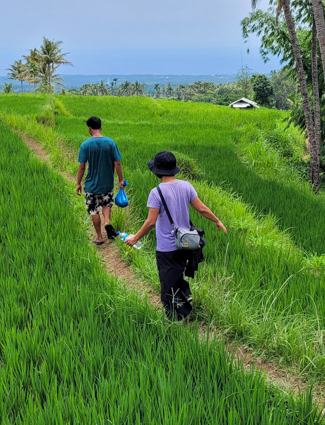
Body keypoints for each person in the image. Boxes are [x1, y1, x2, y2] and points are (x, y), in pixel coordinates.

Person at [125, 151, 226, 320]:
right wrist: (217, 221)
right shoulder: (186, 186)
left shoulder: (156, 192)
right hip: (185, 244)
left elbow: (151, 222)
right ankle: (186, 295)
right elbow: (201, 208)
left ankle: (176, 319)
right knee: (177, 274)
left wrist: (135, 238)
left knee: (167, 285)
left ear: (157, 171)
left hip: (167, 247)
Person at [75, 116, 123, 245]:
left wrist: (78, 183)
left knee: (94, 210)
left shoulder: (85, 144)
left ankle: (99, 237)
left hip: (91, 185)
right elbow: (117, 164)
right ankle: (107, 222)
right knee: (106, 204)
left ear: (89, 129)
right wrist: (120, 180)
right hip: (107, 183)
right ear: (101, 127)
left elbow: (82, 166)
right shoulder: (110, 143)